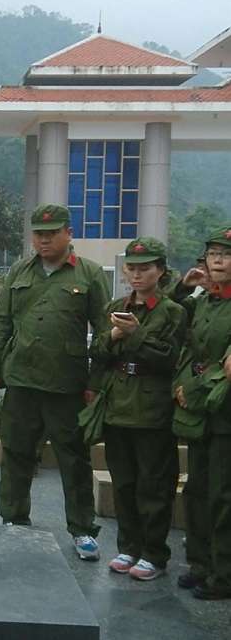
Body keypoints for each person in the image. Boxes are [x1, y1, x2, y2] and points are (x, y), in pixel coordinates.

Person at [0, 204, 110, 559]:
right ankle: (13, 519)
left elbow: (104, 335)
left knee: (73, 457)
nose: (44, 240)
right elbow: (0, 325)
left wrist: (95, 383)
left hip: (66, 383)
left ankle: (82, 529)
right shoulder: (21, 271)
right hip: (21, 378)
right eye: (38, 233)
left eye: (51, 233)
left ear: (69, 233)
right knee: (16, 452)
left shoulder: (90, 274)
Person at [89, 237, 186, 580]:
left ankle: (154, 554)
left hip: (152, 408)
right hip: (118, 406)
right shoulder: (116, 305)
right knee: (124, 482)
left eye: (145, 268)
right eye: (132, 268)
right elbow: (99, 353)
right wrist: (114, 336)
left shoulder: (173, 311)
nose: (137, 274)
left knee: (154, 485)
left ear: (160, 271)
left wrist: (135, 334)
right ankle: (128, 548)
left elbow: (170, 359)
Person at [173, 225, 231, 600]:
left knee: (223, 494)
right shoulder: (204, 301)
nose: (219, 261)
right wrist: (182, 286)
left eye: (225, 256)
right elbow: (168, 317)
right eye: (213, 255)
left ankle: (223, 574)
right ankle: (200, 562)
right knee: (197, 489)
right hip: (199, 408)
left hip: (226, 412)